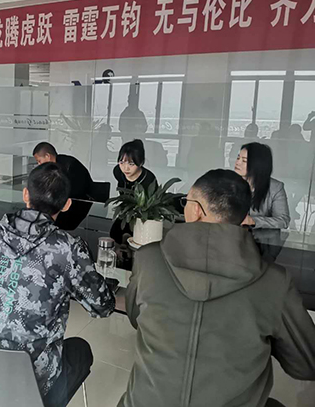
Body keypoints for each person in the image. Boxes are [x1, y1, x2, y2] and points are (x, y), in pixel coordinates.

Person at [119, 169, 315, 407]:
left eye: (187, 201)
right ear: (243, 218)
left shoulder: (148, 258)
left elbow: (135, 316)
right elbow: (306, 364)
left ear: (196, 211)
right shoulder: (274, 282)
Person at [0, 162, 116, 407]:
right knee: (81, 350)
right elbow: (103, 306)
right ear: (67, 204)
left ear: (25, 194)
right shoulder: (67, 249)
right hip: (29, 381)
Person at [32, 142, 93, 231]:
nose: (39, 164)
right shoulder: (55, 166)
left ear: (47, 156)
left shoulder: (70, 166)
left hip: (77, 205)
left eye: (39, 161)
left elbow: (75, 191)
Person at [234, 142, 290, 230]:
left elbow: (283, 221)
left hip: (262, 237)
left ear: (258, 164)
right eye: (238, 158)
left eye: (244, 161)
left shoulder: (275, 188)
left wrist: (253, 221)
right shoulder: (229, 183)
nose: (237, 162)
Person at [110, 139, 157, 244]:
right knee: (114, 234)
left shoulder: (149, 180)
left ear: (141, 163)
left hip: (142, 217)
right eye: (121, 162)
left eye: (131, 164)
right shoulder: (118, 172)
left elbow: (151, 210)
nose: (125, 168)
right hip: (126, 211)